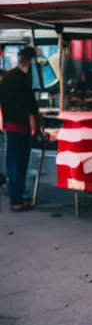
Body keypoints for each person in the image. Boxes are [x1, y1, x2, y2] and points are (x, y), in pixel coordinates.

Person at [0, 46, 39, 212]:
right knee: (20, 163)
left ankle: (17, 197)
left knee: (12, 163)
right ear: (29, 61)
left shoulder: (6, 78)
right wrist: (34, 127)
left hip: (9, 124)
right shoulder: (24, 80)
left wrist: (1, 121)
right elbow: (30, 106)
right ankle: (17, 199)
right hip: (21, 126)